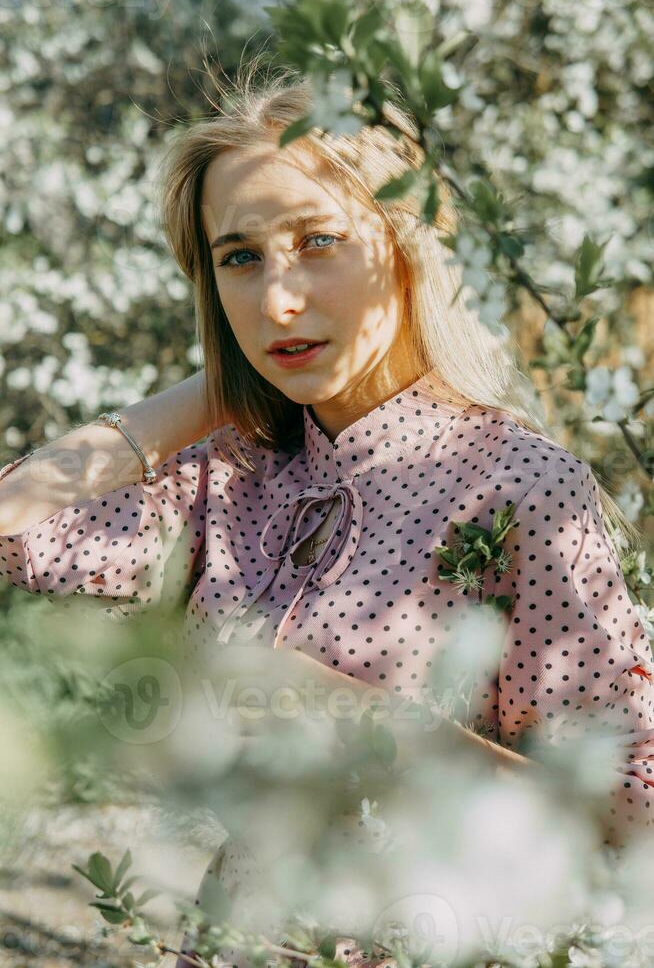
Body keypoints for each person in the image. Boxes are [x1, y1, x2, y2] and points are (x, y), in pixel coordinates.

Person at [1, 54, 653, 967]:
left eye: (317, 242)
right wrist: (198, 398)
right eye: (240, 258)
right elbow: (11, 530)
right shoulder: (223, 478)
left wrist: (373, 726)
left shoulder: (519, 490)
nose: (277, 298)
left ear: (407, 242)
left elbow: (628, 814)